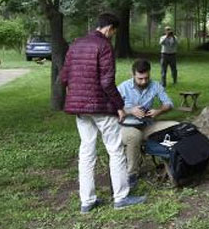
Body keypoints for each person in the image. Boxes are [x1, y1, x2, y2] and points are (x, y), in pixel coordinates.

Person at [59, 12, 146, 213]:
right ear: (110, 28)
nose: (113, 35)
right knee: (115, 150)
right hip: (101, 108)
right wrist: (119, 106)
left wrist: (74, 97)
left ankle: (87, 201)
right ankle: (121, 198)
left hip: (80, 109)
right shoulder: (104, 45)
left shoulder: (76, 44)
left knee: (86, 151)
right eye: (114, 32)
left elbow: (64, 77)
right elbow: (107, 82)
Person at [118, 58, 178, 188]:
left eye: (146, 78)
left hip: (147, 125)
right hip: (126, 126)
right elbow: (111, 109)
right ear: (133, 74)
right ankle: (131, 175)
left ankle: (178, 165)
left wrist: (158, 111)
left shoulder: (155, 85)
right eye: (140, 78)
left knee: (175, 126)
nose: (144, 81)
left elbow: (169, 104)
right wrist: (130, 111)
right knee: (134, 136)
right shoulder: (123, 87)